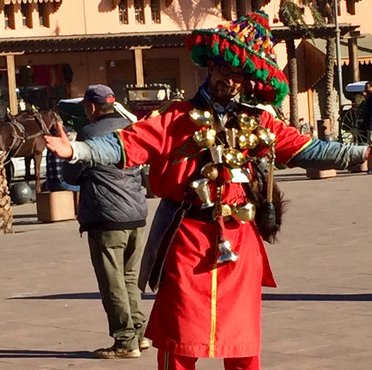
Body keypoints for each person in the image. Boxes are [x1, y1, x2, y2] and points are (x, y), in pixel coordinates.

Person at [45, 11, 372, 370]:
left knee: (242, 343)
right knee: (180, 340)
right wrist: (77, 149)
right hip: (187, 240)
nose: (229, 81)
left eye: (237, 76)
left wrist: (362, 153)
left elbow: (308, 150)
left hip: (240, 241)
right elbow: (126, 145)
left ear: (246, 81)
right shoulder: (177, 118)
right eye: (223, 71)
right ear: (211, 68)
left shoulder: (259, 122)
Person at [63, 84, 149, 359]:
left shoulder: (89, 133)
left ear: (91, 107)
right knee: (129, 278)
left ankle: (125, 341)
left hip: (107, 217)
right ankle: (140, 333)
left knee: (112, 282)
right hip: (136, 215)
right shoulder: (131, 128)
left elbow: (71, 175)